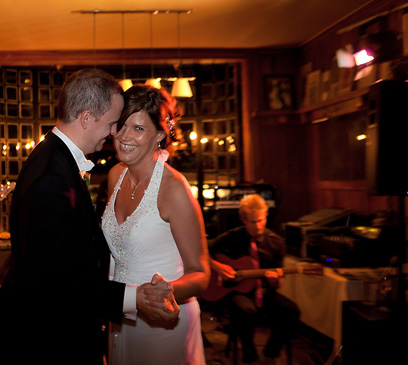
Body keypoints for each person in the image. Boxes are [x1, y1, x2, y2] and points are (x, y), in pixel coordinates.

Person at [0, 69, 179, 365]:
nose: (113, 134)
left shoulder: (54, 159)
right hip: (49, 341)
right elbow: (57, 283)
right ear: (85, 118)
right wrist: (133, 299)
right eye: (110, 124)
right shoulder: (51, 179)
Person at [102, 84, 210, 364]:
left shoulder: (174, 189)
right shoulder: (116, 176)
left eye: (138, 128)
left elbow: (200, 273)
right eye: (122, 125)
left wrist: (165, 291)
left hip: (163, 321)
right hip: (122, 314)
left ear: (160, 134)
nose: (124, 137)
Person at [208, 194, 300, 363]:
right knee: (244, 311)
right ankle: (249, 355)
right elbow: (202, 250)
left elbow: (279, 281)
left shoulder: (276, 243)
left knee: (291, 311)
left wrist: (275, 281)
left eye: (261, 220)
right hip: (237, 292)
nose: (258, 226)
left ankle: (271, 353)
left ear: (266, 217)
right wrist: (217, 267)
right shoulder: (232, 237)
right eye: (253, 222)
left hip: (264, 292)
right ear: (244, 220)